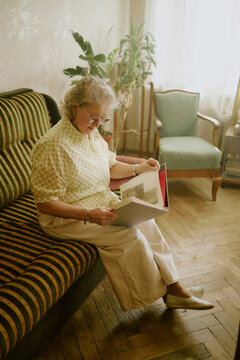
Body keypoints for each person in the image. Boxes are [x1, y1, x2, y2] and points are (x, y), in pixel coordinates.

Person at [30, 76, 213, 311]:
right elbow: (46, 204)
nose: (98, 124)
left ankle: (174, 284)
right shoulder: (52, 146)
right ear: (75, 107)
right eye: (94, 117)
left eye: (103, 118)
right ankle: (169, 292)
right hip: (67, 216)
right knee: (130, 236)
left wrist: (139, 169)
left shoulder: (90, 132)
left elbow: (110, 166)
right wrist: (89, 214)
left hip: (99, 202)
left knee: (146, 221)